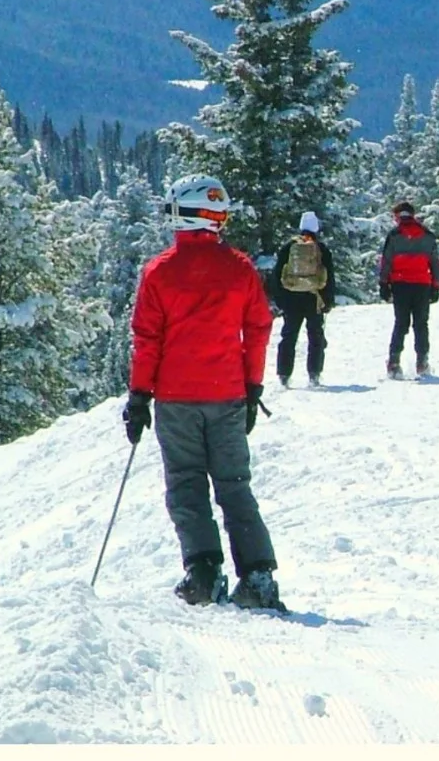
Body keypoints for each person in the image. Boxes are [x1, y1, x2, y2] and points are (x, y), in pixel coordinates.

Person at [123, 174, 286, 611]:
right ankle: (257, 577)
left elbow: (147, 339)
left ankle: (204, 573)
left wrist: (139, 396)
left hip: (176, 398)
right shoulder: (240, 268)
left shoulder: (159, 272)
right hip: (228, 395)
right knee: (234, 485)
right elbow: (257, 328)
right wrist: (252, 386)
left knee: (186, 484)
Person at [268, 211, 335, 387]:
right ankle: (314, 373)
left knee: (289, 336)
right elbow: (329, 277)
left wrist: (280, 299)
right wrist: (327, 301)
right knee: (315, 336)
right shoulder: (321, 249)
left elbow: (277, 275)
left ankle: (284, 374)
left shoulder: (289, 246)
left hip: (291, 298)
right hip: (314, 298)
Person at [377, 202, 439, 379]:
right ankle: (422, 362)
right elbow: (435, 262)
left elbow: (386, 261)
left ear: (398, 216)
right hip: (422, 285)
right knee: (421, 324)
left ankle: (394, 362)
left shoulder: (394, 235)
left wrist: (384, 283)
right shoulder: (427, 235)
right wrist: (436, 285)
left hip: (400, 285)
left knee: (401, 324)